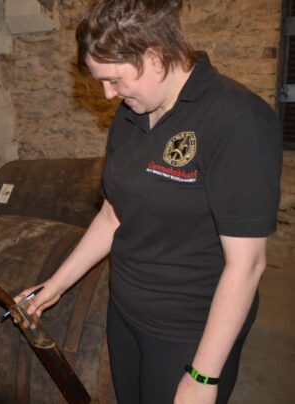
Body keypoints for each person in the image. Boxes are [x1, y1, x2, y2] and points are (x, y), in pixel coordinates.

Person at [17, 1, 282, 403]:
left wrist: (202, 377)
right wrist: (55, 285)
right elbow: (113, 215)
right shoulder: (131, 114)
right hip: (125, 312)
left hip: (187, 328)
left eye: (114, 80)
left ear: (156, 58)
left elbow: (247, 265)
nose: (107, 94)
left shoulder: (236, 120)